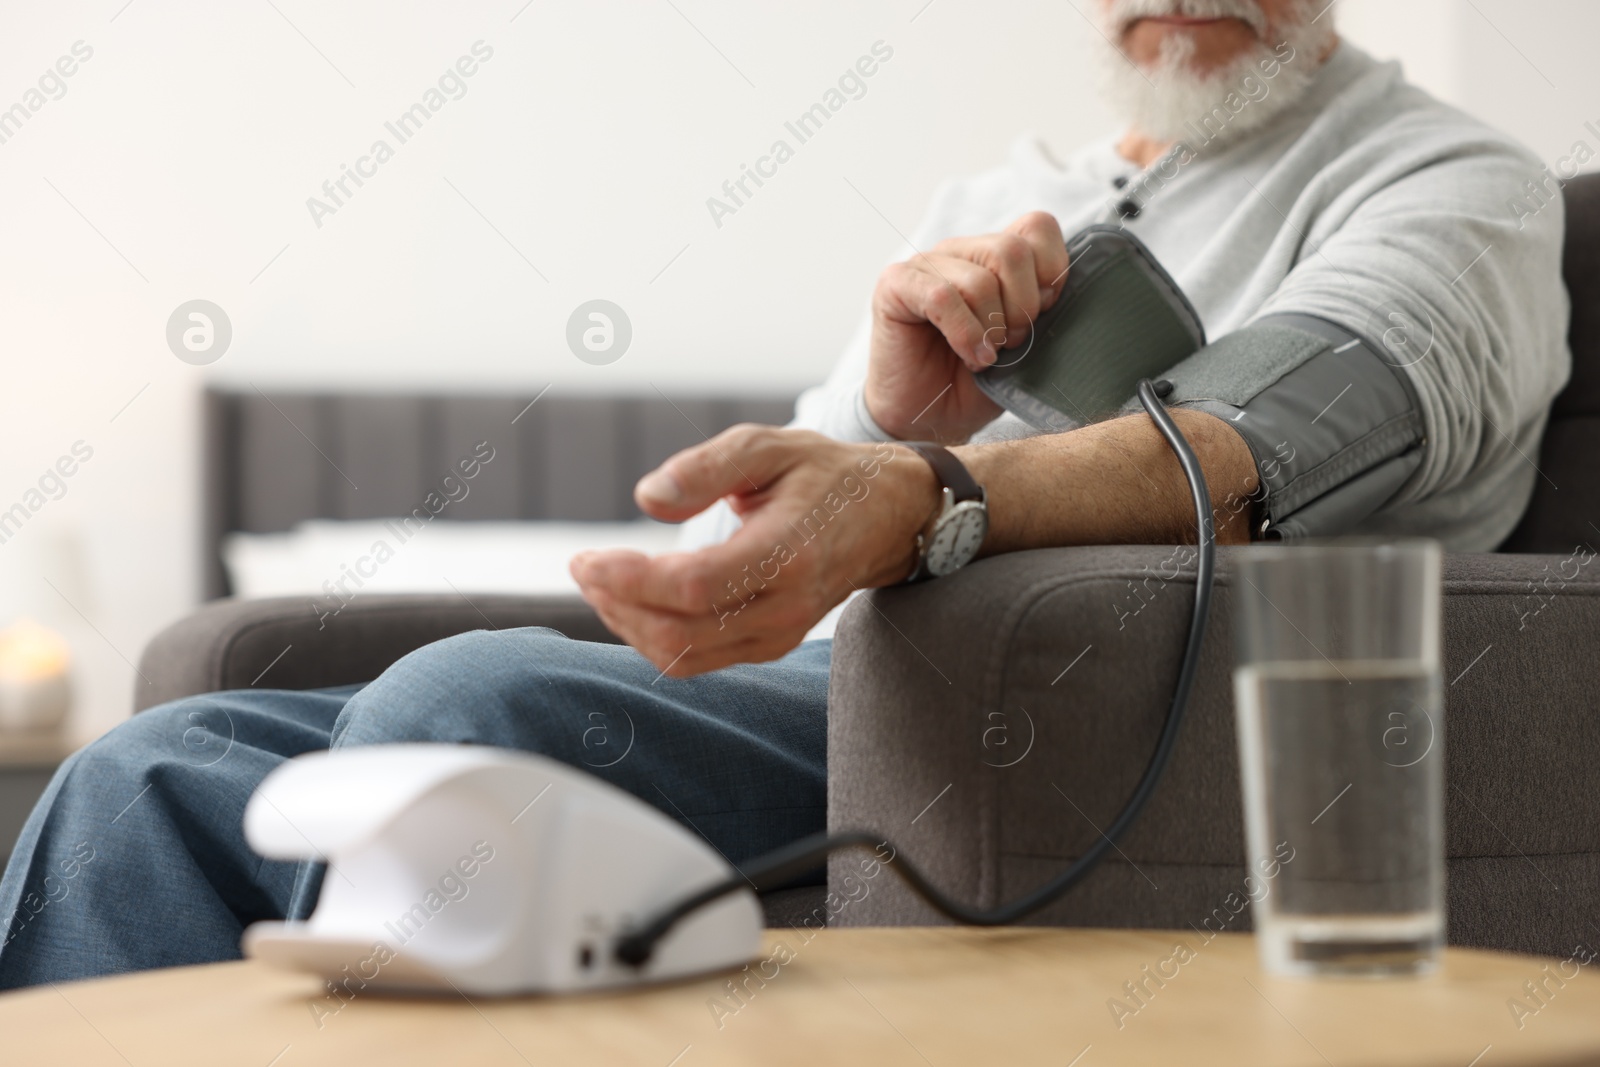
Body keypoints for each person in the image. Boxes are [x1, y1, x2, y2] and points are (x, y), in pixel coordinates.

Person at [0, 0, 1568, 988]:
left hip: (1091, 728)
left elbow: (1265, 437)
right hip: (840, 692)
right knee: (138, 777)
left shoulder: (1447, 180)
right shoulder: (988, 198)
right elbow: (752, 559)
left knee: (469, 707)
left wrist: (923, 483)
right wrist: (894, 410)